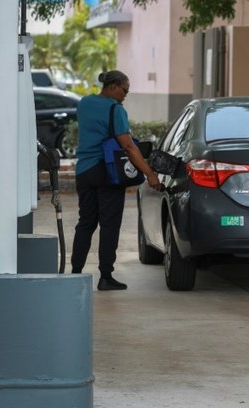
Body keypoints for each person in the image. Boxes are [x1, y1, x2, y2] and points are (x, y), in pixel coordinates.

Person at [70, 70, 161, 290]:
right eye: (124, 90)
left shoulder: (84, 102)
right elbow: (128, 146)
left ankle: (74, 274)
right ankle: (105, 277)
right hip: (107, 172)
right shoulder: (115, 109)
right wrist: (149, 173)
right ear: (112, 87)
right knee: (109, 225)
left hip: (84, 171)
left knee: (86, 223)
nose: (125, 95)